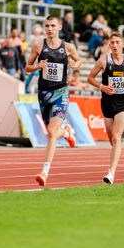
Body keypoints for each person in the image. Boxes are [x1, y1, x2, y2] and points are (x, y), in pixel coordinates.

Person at [25, 15, 82, 186]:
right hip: (44, 94)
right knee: (52, 132)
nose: (49, 29)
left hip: (61, 93)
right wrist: (37, 67)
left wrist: (74, 64)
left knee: (51, 131)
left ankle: (45, 171)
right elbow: (27, 67)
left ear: (59, 27)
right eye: (47, 26)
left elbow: (78, 60)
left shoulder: (68, 47)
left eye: (53, 26)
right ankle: (66, 133)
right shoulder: (38, 44)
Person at [87, 32, 124, 184]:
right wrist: (102, 86)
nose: (115, 45)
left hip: (123, 103)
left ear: (123, 45)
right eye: (112, 43)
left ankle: (111, 173)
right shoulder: (104, 61)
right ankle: (122, 124)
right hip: (107, 103)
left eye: (118, 42)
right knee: (112, 140)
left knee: (117, 137)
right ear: (109, 45)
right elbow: (90, 78)